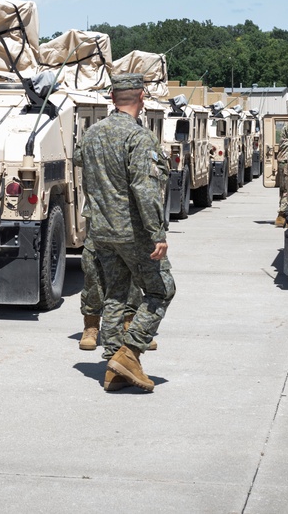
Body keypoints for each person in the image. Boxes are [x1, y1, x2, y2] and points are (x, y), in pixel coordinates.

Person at [75, 73, 176, 392]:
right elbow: (145, 189)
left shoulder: (91, 134)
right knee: (162, 290)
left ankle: (114, 369)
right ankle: (130, 352)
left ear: (111, 98)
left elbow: (82, 166)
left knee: (116, 294)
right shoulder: (138, 136)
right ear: (142, 98)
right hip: (132, 232)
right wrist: (157, 232)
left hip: (100, 230)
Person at [275, 119, 288, 227]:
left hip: (283, 161)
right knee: (286, 189)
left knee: (283, 190)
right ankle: (282, 215)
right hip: (286, 161)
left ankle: (283, 215)